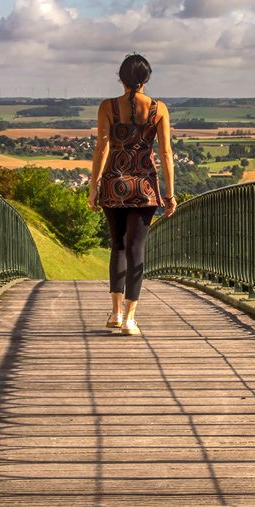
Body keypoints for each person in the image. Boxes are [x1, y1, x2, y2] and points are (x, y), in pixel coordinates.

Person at [88, 53, 176, 336]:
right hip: (145, 186)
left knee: (118, 247)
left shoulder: (107, 107)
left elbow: (101, 148)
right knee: (137, 248)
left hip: (114, 183)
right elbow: (165, 153)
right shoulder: (158, 108)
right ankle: (129, 319)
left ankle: (114, 313)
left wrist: (94, 186)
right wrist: (170, 194)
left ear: (121, 78)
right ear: (146, 78)